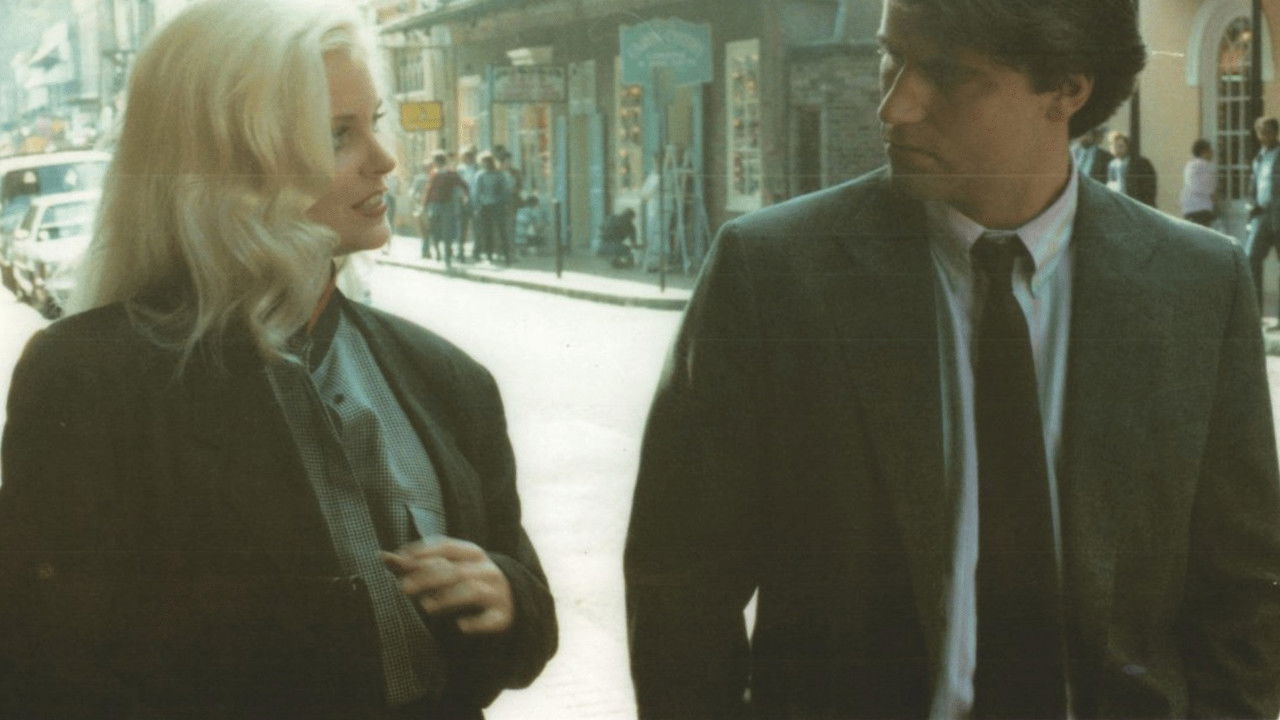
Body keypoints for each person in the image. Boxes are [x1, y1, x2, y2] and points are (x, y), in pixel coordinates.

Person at [625, 0, 1280, 718]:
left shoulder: (1197, 286)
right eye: (891, 57)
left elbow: (1241, 591)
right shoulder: (773, 275)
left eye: (945, 73)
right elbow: (680, 587)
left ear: (1067, 88)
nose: (895, 106)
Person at [0, 1, 557, 717]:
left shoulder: (445, 376)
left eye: (374, 122)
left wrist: (505, 594)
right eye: (337, 135)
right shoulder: (90, 378)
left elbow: (526, 610)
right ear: (226, 163)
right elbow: (46, 667)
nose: (385, 159)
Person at [1248, 116, 1280, 323]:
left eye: (1267, 131)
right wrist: (1251, 206)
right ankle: (1255, 315)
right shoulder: (1259, 157)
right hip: (1261, 215)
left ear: (1275, 132)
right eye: (1260, 132)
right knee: (1250, 258)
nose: (1263, 136)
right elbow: (1254, 184)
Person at [419, 150, 469, 264]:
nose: (434, 163)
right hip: (439, 205)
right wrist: (424, 204)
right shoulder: (436, 173)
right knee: (438, 230)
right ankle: (440, 253)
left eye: (435, 161)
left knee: (444, 230)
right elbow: (428, 190)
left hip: (445, 205)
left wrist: (465, 196)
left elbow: (463, 185)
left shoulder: (449, 173)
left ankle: (445, 254)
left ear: (437, 161)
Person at [471, 152, 512, 264]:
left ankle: (491, 255)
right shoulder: (499, 174)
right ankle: (506, 255)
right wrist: (506, 203)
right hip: (497, 205)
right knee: (501, 230)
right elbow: (506, 191)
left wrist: (476, 206)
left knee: (488, 231)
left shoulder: (481, 175)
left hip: (486, 206)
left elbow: (476, 193)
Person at [1106, 130, 1157, 206]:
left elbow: (1149, 187)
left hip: (1136, 204)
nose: (1117, 150)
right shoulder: (1112, 165)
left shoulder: (1141, 163)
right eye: (1114, 146)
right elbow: (1111, 183)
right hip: (1119, 203)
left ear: (1127, 147)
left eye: (1120, 146)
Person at [1180, 138, 1219, 228]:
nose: (1212, 153)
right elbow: (1207, 186)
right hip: (1201, 207)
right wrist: (1213, 194)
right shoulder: (1205, 166)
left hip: (1189, 207)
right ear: (1203, 152)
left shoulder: (1190, 165)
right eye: (1210, 150)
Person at [456, 146, 480, 261]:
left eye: (471, 156)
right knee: (462, 228)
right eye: (466, 157)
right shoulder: (460, 169)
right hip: (462, 201)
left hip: (475, 200)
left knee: (476, 228)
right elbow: (457, 185)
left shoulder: (478, 168)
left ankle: (476, 252)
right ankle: (460, 252)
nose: (469, 159)